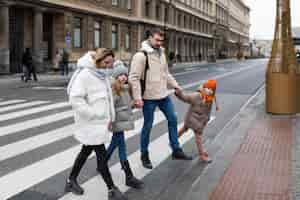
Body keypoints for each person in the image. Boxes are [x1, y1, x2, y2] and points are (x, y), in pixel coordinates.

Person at [66, 48, 127, 200]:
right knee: (101, 155)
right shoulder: (85, 75)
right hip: (90, 123)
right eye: (106, 62)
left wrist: (110, 118)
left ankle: (70, 180)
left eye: (111, 63)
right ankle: (111, 189)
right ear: (98, 61)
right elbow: (75, 99)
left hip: (100, 124)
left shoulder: (103, 76)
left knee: (85, 151)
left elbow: (108, 100)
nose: (109, 66)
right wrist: (92, 114)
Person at [129, 28, 191, 170]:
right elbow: (133, 78)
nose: (159, 43)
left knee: (173, 119)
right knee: (148, 125)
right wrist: (138, 98)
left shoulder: (161, 53)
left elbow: (166, 73)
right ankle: (144, 154)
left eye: (161, 40)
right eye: (156, 40)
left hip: (163, 95)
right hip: (149, 97)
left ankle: (176, 149)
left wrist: (176, 86)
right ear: (149, 38)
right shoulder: (141, 55)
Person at [106, 60, 144, 189]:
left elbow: (126, 105)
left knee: (114, 144)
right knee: (122, 147)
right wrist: (109, 121)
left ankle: (102, 163)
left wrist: (135, 104)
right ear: (115, 76)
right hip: (117, 122)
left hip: (121, 121)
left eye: (125, 75)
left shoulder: (125, 89)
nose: (123, 77)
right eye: (120, 75)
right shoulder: (114, 89)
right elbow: (110, 107)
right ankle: (128, 176)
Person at [175, 80, 219, 162]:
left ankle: (173, 140)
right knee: (198, 137)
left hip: (198, 120)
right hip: (192, 119)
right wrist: (179, 93)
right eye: (208, 88)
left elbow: (207, 111)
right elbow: (186, 97)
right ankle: (202, 155)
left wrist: (206, 119)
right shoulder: (197, 96)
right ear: (204, 88)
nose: (209, 91)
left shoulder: (210, 98)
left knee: (184, 129)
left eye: (212, 89)